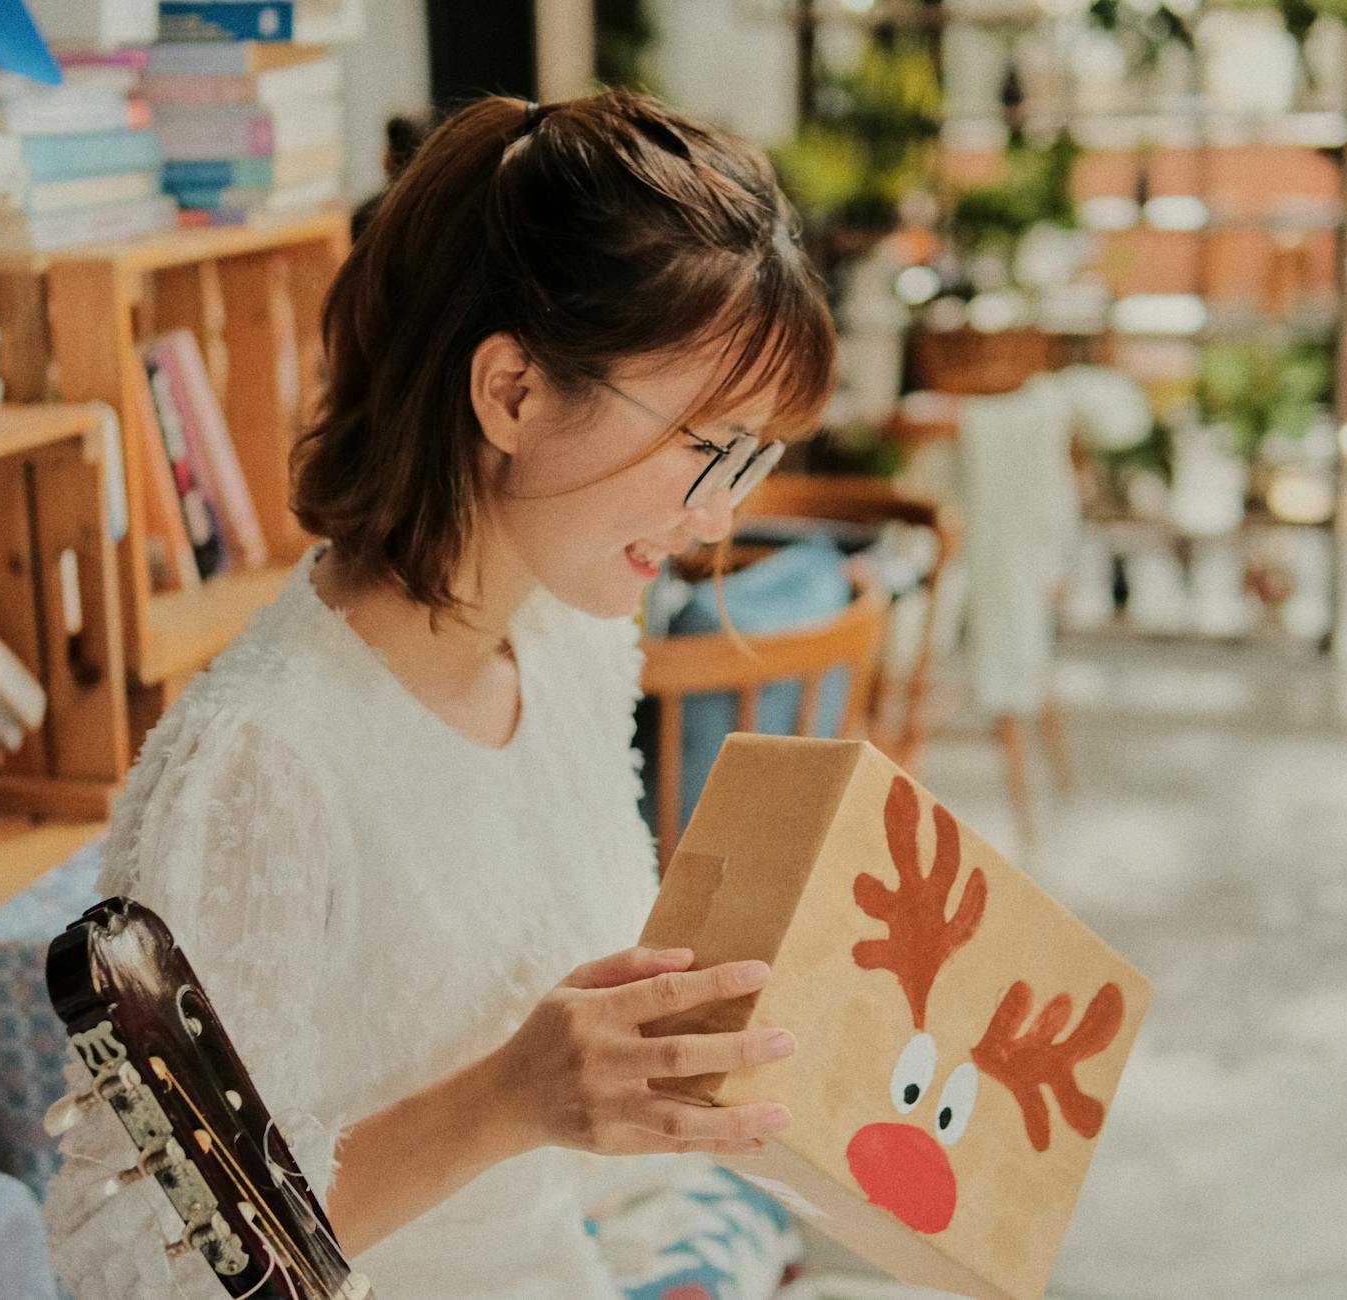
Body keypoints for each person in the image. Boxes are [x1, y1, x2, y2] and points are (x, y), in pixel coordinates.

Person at [43, 89, 836, 1300]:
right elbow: (134, 1268)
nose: (721, 516)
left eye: (751, 456)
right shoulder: (263, 761)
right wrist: (503, 1101)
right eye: (704, 446)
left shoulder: (566, 644)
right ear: (510, 391)